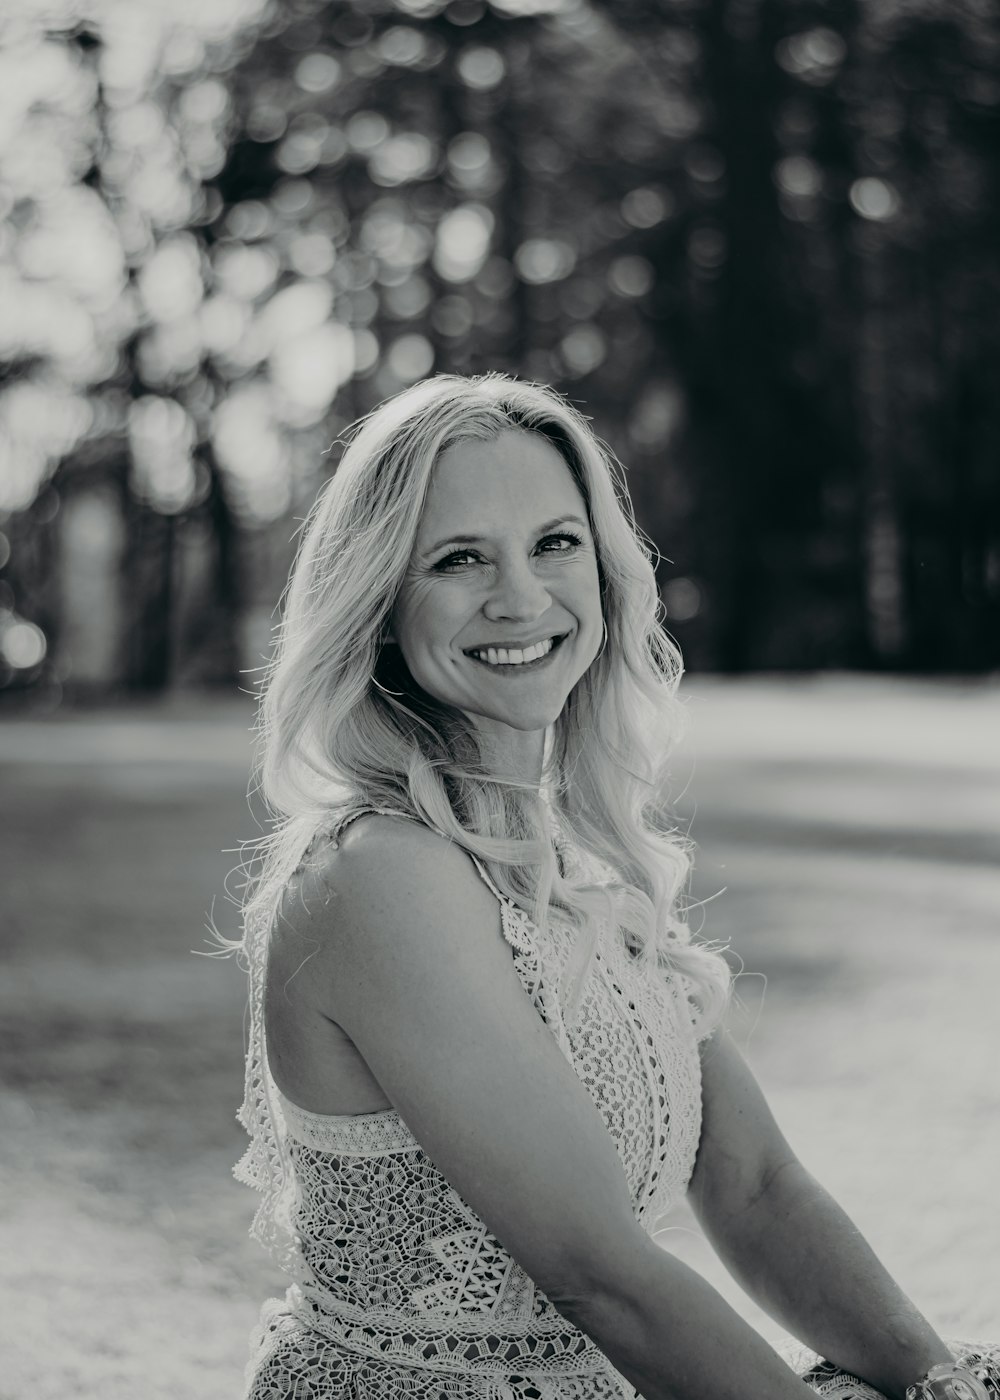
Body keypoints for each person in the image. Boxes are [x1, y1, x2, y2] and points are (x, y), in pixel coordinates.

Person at [225, 372, 997, 1400]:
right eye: (459, 558)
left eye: (555, 542)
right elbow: (604, 1277)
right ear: (376, 602)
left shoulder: (581, 863)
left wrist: (942, 1385)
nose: (521, 596)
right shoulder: (378, 875)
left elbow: (756, 1188)